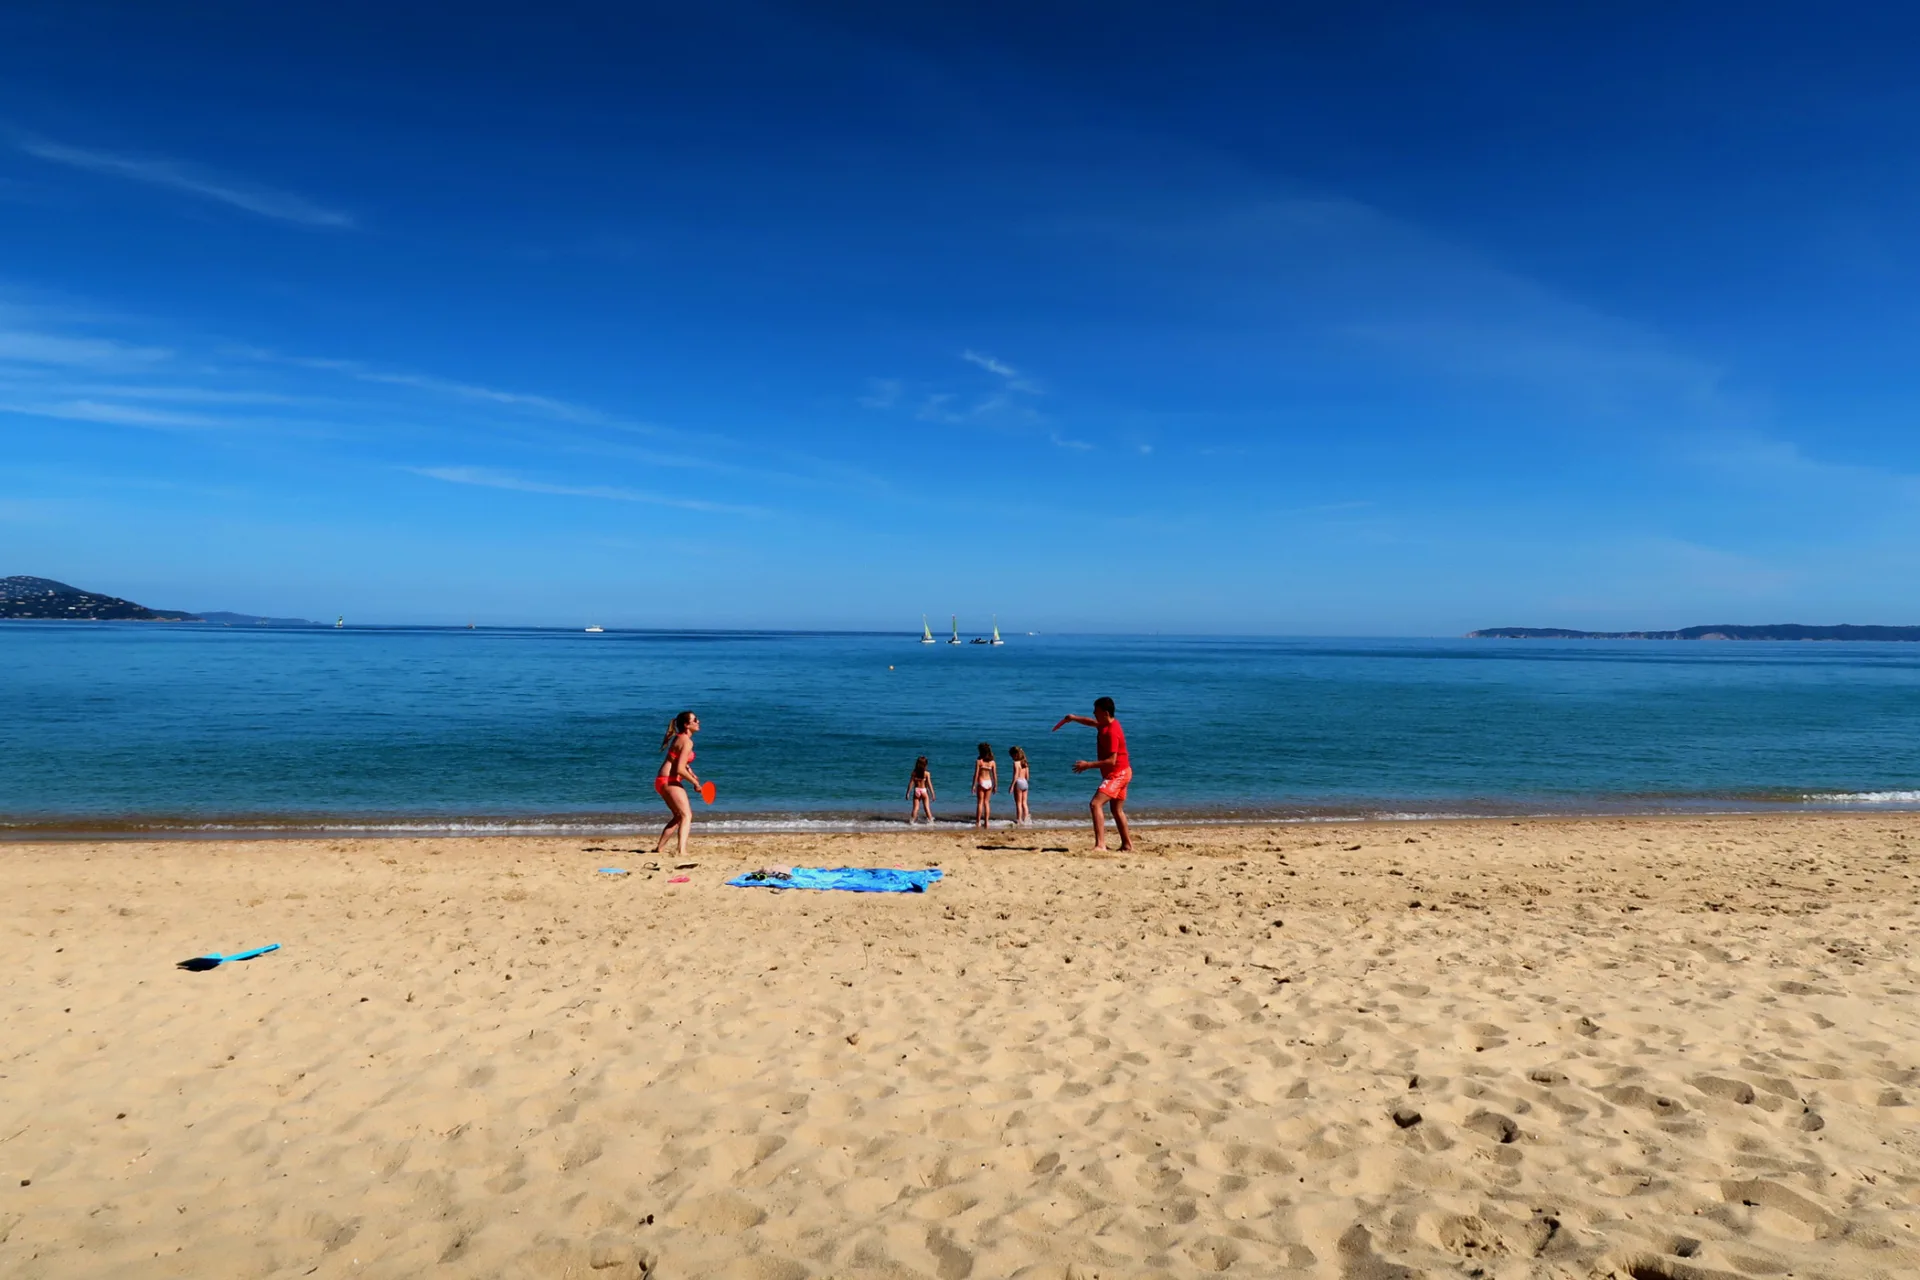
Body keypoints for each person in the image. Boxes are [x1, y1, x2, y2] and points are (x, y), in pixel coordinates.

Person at [1052, 696, 1132, 851]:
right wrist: (1074, 718)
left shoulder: (1111, 732)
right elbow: (1091, 723)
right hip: (1124, 772)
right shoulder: (1105, 724)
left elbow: (1111, 761)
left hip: (1118, 774)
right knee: (1116, 810)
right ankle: (1127, 844)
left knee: (1095, 804)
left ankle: (1100, 844)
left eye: (1096, 711)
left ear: (1105, 712)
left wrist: (1088, 765)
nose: (1094, 713)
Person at [654, 710, 703, 859]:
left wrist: (691, 771)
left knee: (678, 817)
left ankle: (659, 849)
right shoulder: (687, 741)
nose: (698, 722)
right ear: (687, 725)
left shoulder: (680, 738)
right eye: (695, 720)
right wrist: (695, 783)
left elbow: (678, 760)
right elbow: (679, 769)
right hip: (670, 780)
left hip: (662, 780)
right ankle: (681, 851)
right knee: (686, 815)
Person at [971, 742, 998, 829]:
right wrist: (995, 785)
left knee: (980, 803)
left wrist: (974, 785)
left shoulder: (979, 761)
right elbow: (994, 775)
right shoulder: (992, 762)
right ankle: (986, 822)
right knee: (986, 803)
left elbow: (976, 774)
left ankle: (978, 822)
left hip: (981, 781)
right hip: (989, 782)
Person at [907, 755, 936, 825]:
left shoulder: (914, 773)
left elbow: (910, 783)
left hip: (917, 790)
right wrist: (933, 794)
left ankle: (912, 822)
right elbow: (929, 784)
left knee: (916, 808)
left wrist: (908, 793)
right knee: (926, 808)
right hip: (924, 791)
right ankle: (931, 822)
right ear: (925, 765)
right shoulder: (927, 773)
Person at [1008, 745, 1031, 825]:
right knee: (1024, 803)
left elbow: (1015, 776)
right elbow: (1027, 776)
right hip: (1025, 782)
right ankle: (1027, 820)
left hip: (1018, 782)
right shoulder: (1025, 763)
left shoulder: (1016, 763)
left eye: (1012, 756)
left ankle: (1019, 820)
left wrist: (1011, 786)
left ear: (1015, 755)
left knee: (1018, 803)